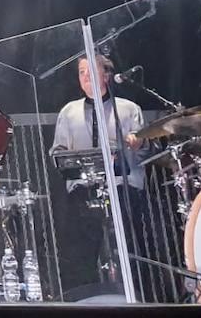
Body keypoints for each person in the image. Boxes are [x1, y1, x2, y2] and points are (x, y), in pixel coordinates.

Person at [49, 55, 151, 300]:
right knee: (80, 255)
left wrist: (137, 144)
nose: (85, 76)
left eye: (90, 71)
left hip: (122, 189)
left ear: (106, 75)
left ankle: (139, 300)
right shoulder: (69, 111)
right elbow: (57, 152)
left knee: (129, 249)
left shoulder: (127, 109)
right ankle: (85, 303)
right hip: (83, 191)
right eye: (81, 72)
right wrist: (65, 157)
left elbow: (146, 150)